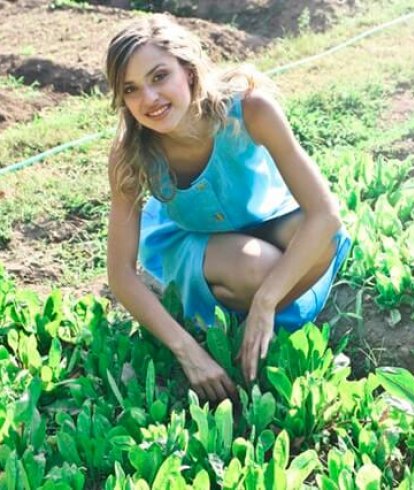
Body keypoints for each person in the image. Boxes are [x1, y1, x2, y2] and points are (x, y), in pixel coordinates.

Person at [104, 15, 351, 402]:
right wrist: (188, 351)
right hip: (193, 240)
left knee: (324, 239)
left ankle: (251, 310)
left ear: (187, 71)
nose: (148, 99)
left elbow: (326, 215)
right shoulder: (131, 154)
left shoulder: (250, 109)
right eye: (131, 89)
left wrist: (266, 302)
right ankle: (225, 302)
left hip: (269, 218)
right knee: (259, 268)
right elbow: (119, 273)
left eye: (159, 77)